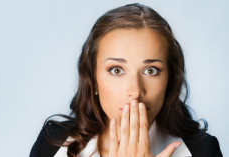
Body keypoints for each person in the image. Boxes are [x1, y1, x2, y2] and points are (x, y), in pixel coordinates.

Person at [30, 3, 223, 157]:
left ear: (169, 80)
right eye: (116, 70)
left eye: (151, 70)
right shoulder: (53, 143)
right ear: (93, 79)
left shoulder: (202, 151)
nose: (135, 91)